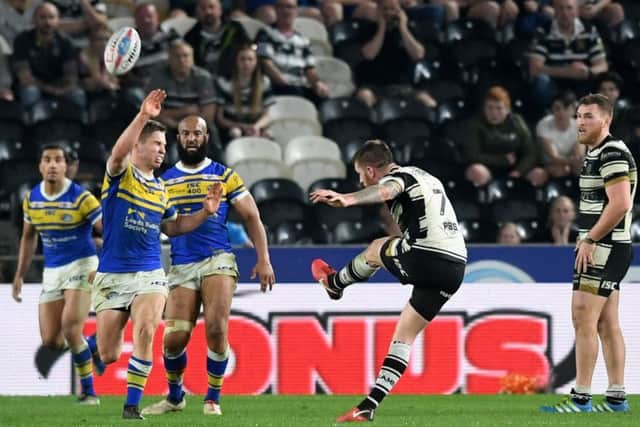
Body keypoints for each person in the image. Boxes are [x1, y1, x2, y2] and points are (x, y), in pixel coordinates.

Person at [310, 139, 466, 422]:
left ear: (370, 170)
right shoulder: (424, 175)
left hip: (427, 255)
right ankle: (369, 405)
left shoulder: (399, 178)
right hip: (456, 267)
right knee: (404, 335)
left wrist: (348, 198)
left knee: (377, 247)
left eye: (360, 174)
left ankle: (335, 284)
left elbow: (386, 190)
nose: (359, 180)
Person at [91, 89, 223, 419]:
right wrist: (143, 116)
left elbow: (173, 227)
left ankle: (131, 406)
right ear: (139, 146)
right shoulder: (120, 174)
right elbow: (118, 152)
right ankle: (95, 345)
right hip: (111, 273)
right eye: (157, 145)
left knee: (147, 330)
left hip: (149, 273)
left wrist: (205, 213)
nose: (164, 151)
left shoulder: (161, 189)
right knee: (108, 355)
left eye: (165, 146)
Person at [141, 115, 275, 417]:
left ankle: (212, 398)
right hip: (181, 265)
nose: (191, 138)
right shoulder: (163, 182)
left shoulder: (224, 175)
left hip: (218, 258)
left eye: (197, 133)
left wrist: (263, 258)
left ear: (206, 138)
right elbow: (165, 227)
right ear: (178, 139)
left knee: (216, 328)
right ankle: (175, 397)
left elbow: (252, 216)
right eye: (185, 133)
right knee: (174, 339)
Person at [542, 93, 636, 413]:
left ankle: (581, 398)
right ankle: (616, 398)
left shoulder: (610, 152)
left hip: (604, 246)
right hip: (610, 245)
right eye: (579, 116)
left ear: (606, 120)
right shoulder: (597, 152)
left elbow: (621, 202)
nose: (580, 122)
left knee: (583, 317)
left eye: (588, 117)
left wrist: (590, 239)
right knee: (608, 323)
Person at [12, 143, 105, 404]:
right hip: (53, 270)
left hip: (82, 265)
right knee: (51, 340)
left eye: (58, 160)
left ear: (67, 166)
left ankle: (89, 392)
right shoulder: (32, 199)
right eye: (47, 159)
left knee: (70, 328)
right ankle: (92, 345)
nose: (52, 164)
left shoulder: (82, 198)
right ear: (40, 165)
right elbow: (28, 238)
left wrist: (105, 265)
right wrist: (19, 275)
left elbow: (104, 231)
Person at [528, 0, 608, 120]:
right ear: (554, 10)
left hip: (582, 82)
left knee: (604, 82)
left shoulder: (589, 30)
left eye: (569, 8)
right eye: (560, 8)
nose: (565, 13)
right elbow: (534, 68)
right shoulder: (544, 31)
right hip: (554, 84)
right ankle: (549, 116)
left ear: (576, 11)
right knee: (541, 81)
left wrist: (589, 71)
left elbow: (602, 65)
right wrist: (568, 71)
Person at [464, 86, 548, 187]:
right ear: (484, 108)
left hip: (515, 169)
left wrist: (519, 171)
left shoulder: (517, 122)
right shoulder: (476, 124)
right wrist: (501, 160)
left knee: (540, 174)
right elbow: (472, 155)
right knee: (476, 171)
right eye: (490, 108)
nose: (494, 113)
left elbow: (530, 152)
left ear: (507, 109)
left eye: (499, 108)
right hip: (488, 168)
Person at [12, 2, 87, 108]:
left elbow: (72, 77)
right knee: (30, 92)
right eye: (42, 17)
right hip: (34, 85)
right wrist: (51, 90)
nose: (47, 22)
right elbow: (25, 78)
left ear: (57, 21)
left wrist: (62, 90)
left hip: (59, 85)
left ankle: (74, 124)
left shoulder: (66, 42)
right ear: (34, 20)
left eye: (51, 17)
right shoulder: (22, 40)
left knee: (78, 95)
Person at [255, 0, 329, 103]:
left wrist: (317, 83)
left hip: (298, 85)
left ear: (296, 11)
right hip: (275, 85)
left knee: (325, 100)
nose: (285, 11)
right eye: (281, 7)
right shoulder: (264, 33)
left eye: (289, 7)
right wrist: (283, 81)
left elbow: (309, 69)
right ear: (275, 9)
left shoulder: (303, 40)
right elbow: (265, 62)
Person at [145, 40, 217, 131]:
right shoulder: (159, 77)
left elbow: (208, 116)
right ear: (169, 59)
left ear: (192, 59)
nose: (182, 60)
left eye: (185, 56)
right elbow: (152, 112)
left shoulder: (203, 78)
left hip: (197, 127)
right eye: (177, 56)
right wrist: (186, 111)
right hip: (167, 126)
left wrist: (184, 125)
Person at [214, 44, 275, 143]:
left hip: (256, 125)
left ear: (256, 62)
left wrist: (256, 127)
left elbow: (267, 116)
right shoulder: (224, 82)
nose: (246, 63)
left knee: (269, 135)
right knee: (235, 133)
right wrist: (243, 127)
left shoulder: (264, 82)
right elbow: (220, 118)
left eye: (250, 59)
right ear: (236, 61)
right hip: (233, 125)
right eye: (242, 59)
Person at [536, 91, 583, 178]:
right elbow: (554, 157)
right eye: (557, 108)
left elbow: (579, 155)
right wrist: (573, 161)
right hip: (548, 163)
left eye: (566, 108)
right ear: (552, 110)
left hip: (570, 163)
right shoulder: (544, 125)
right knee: (561, 170)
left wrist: (576, 160)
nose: (561, 112)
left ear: (573, 110)